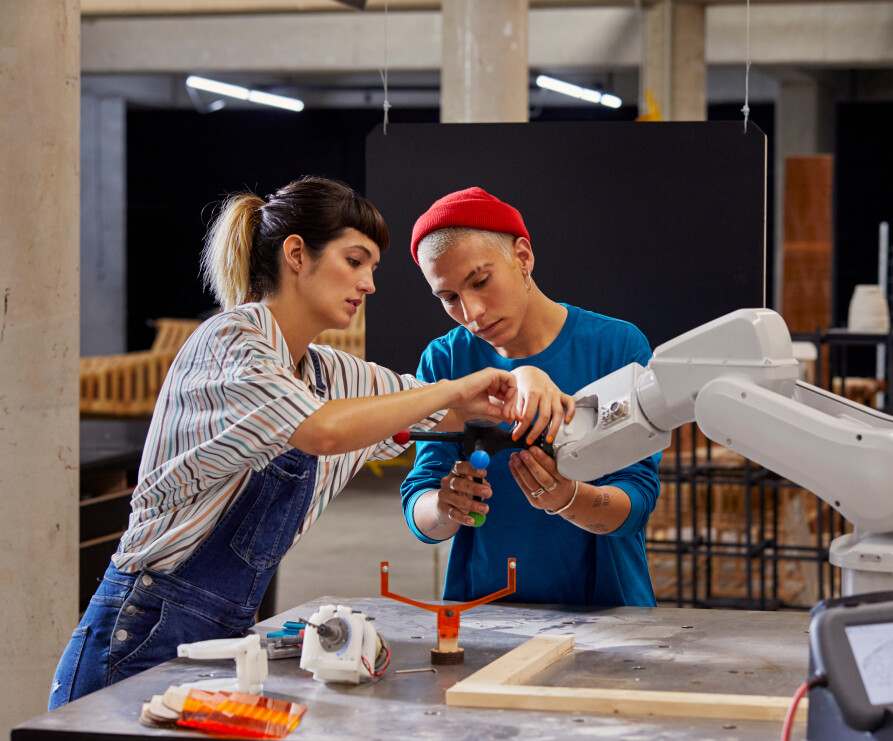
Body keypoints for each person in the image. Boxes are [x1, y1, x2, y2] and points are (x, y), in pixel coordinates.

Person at [49, 177, 567, 709]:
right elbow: (324, 430)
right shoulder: (231, 342)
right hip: (139, 632)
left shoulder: (327, 372)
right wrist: (461, 386)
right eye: (355, 260)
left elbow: (435, 405)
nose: (369, 284)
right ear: (297, 254)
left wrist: (526, 379)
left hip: (225, 633)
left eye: (372, 269)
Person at [400, 187, 661, 607]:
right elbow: (420, 501)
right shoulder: (445, 358)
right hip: (485, 608)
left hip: (606, 607)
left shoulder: (616, 346)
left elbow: (637, 502)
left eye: (481, 282)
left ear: (522, 257)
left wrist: (569, 499)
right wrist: (446, 507)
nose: (472, 313)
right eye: (448, 298)